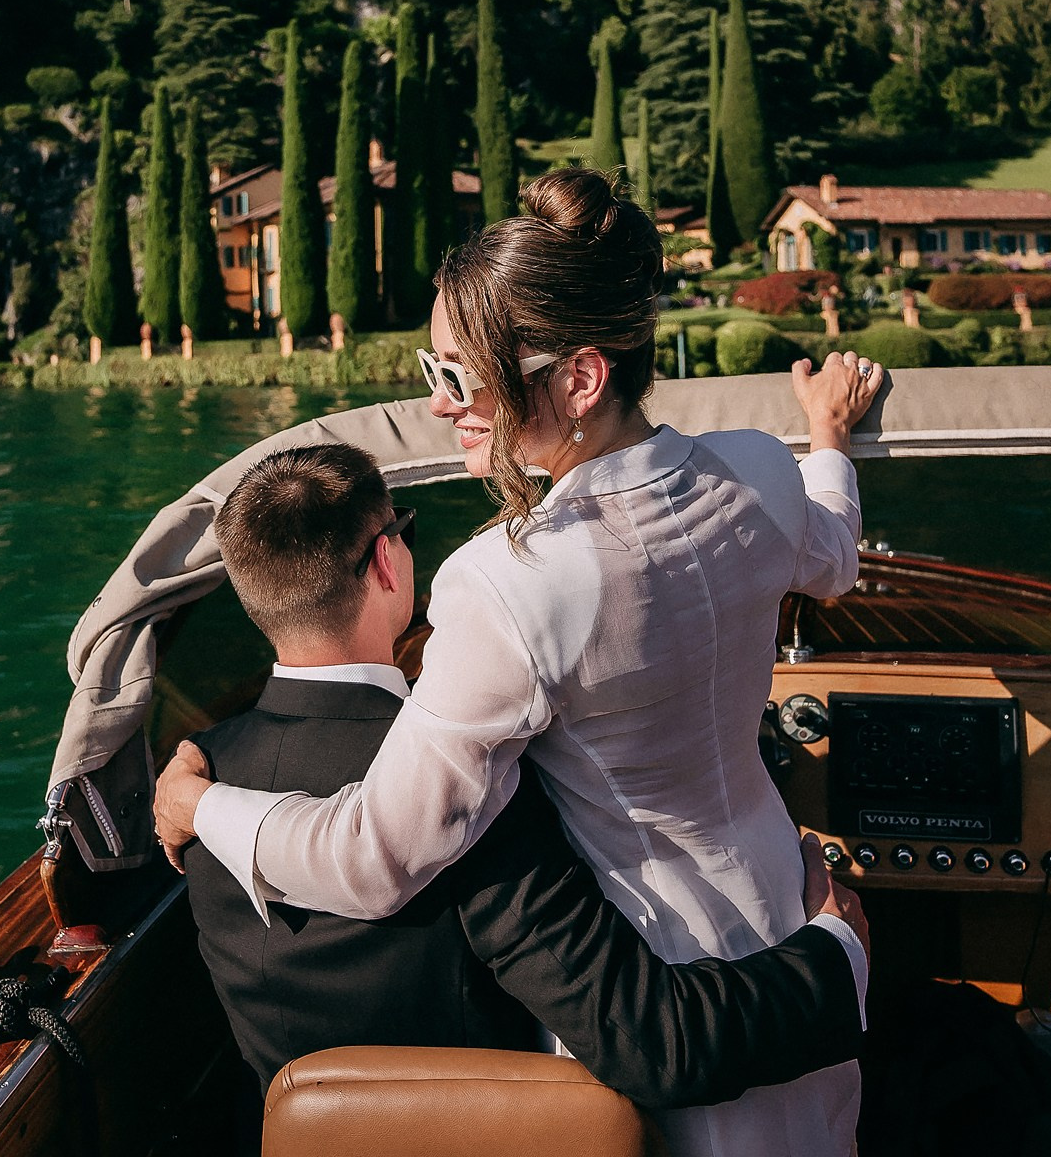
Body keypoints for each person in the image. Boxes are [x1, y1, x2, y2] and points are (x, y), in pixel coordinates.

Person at [157, 166, 886, 1156]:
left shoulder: (500, 583)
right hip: (789, 907)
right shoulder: (762, 468)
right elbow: (834, 549)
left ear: (580, 376)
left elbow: (376, 858)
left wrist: (208, 807)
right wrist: (829, 435)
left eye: (461, 376)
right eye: (431, 368)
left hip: (657, 979)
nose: (439, 403)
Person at [186, 441, 869, 1105]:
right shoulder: (474, 786)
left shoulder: (197, 777)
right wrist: (836, 953)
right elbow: (651, 1041)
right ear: (387, 562)